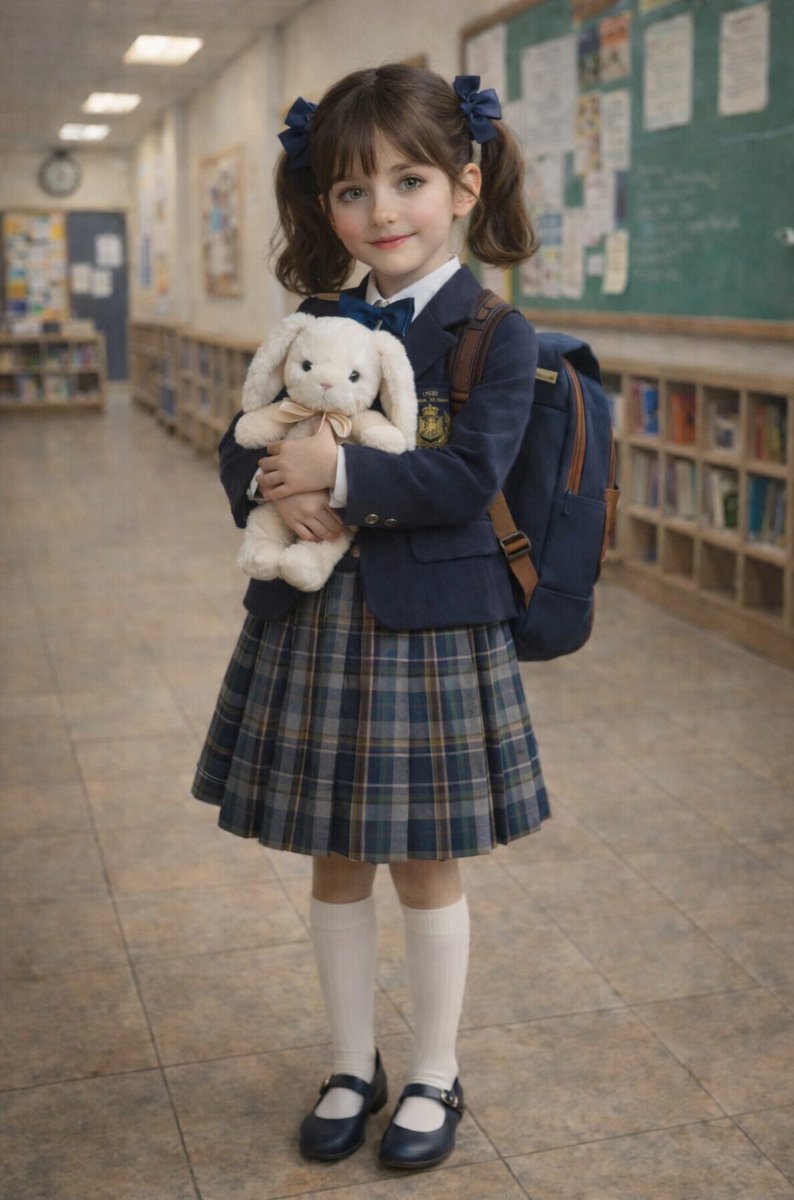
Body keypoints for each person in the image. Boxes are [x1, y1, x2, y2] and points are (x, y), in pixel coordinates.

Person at [192, 63, 549, 1171]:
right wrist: (273, 483)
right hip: (309, 625)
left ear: (464, 183)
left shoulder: (494, 333)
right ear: (325, 207)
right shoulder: (318, 319)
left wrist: (338, 481)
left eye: (406, 181)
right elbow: (239, 433)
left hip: (431, 631)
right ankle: (353, 1061)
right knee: (334, 861)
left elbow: (461, 476)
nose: (380, 211)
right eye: (351, 191)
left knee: (427, 866)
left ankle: (433, 1071)